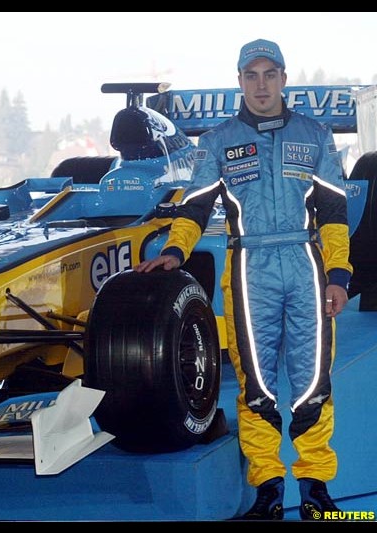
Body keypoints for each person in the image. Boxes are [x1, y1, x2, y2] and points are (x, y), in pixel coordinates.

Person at [134, 39, 349, 521]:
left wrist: (338, 273)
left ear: (283, 79)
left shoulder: (315, 135)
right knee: (256, 385)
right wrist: (174, 251)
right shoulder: (217, 141)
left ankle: (316, 491)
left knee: (314, 379)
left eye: (269, 74)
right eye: (250, 76)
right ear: (239, 82)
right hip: (249, 270)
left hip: (305, 263)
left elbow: (334, 212)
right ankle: (268, 490)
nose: (260, 84)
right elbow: (195, 206)